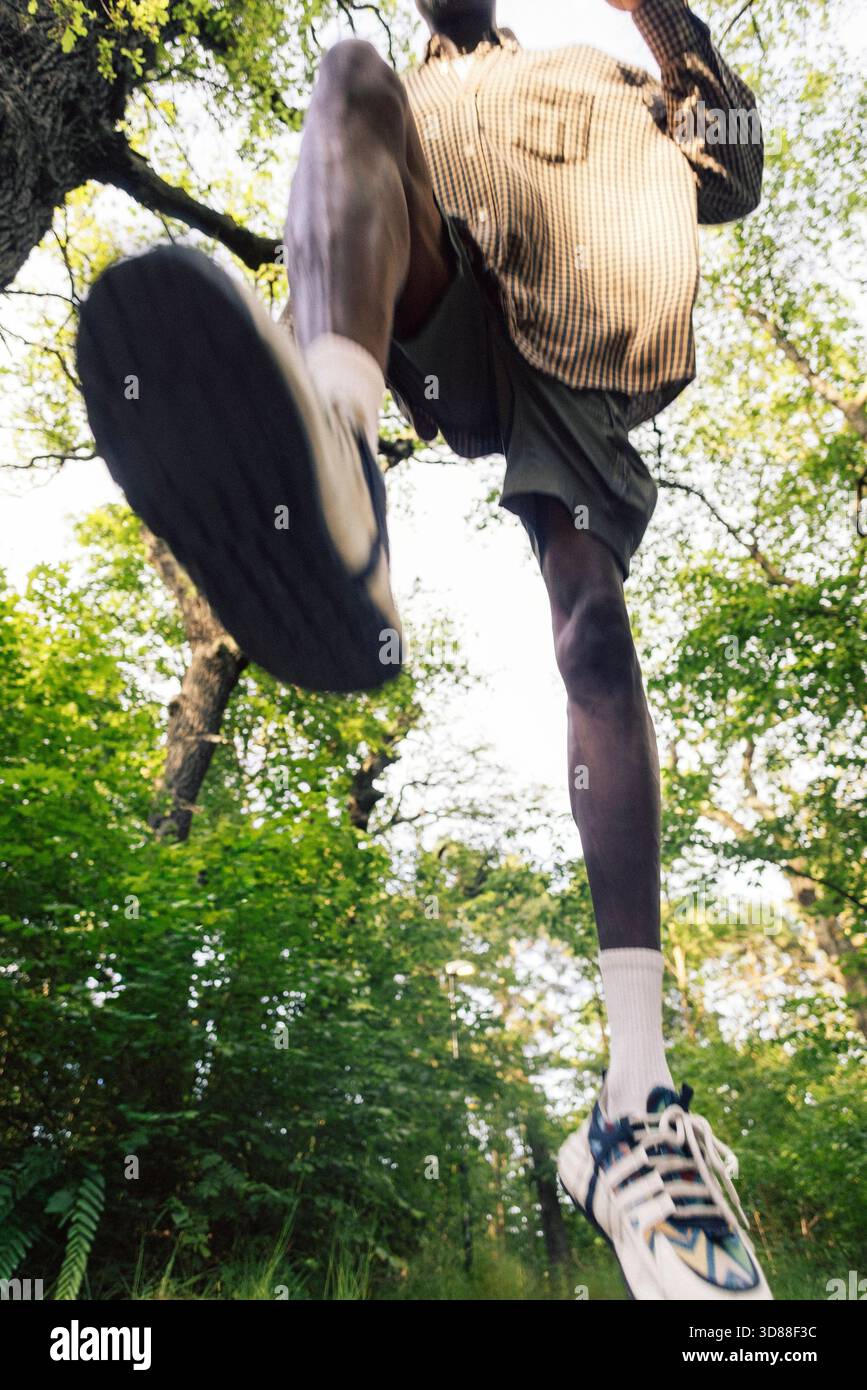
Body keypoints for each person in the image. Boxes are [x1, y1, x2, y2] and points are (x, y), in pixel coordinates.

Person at [76, 0, 770, 1299]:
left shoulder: (605, 68)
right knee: (347, 83)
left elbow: (734, 170)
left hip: (588, 321)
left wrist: (659, 17)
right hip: (451, 310)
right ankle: (334, 452)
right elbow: (352, 215)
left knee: (592, 629)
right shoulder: (413, 90)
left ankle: (640, 1098)